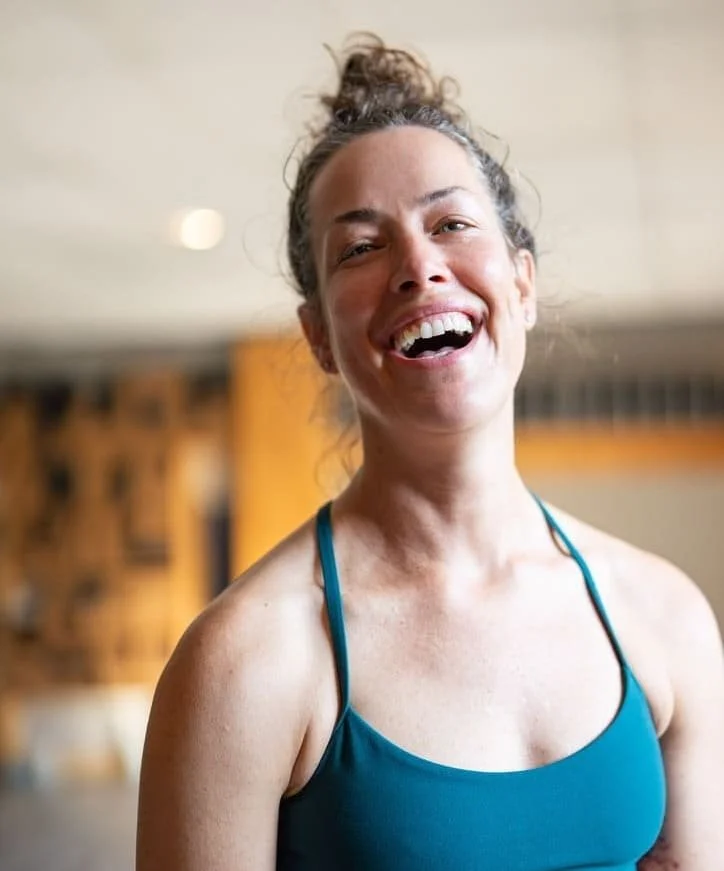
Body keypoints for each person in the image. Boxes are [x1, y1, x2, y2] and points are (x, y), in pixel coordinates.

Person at [136, 35, 724, 870]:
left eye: (451, 222)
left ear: (522, 284)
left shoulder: (664, 615)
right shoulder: (246, 661)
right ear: (319, 339)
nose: (419, 266)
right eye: (363, 247)